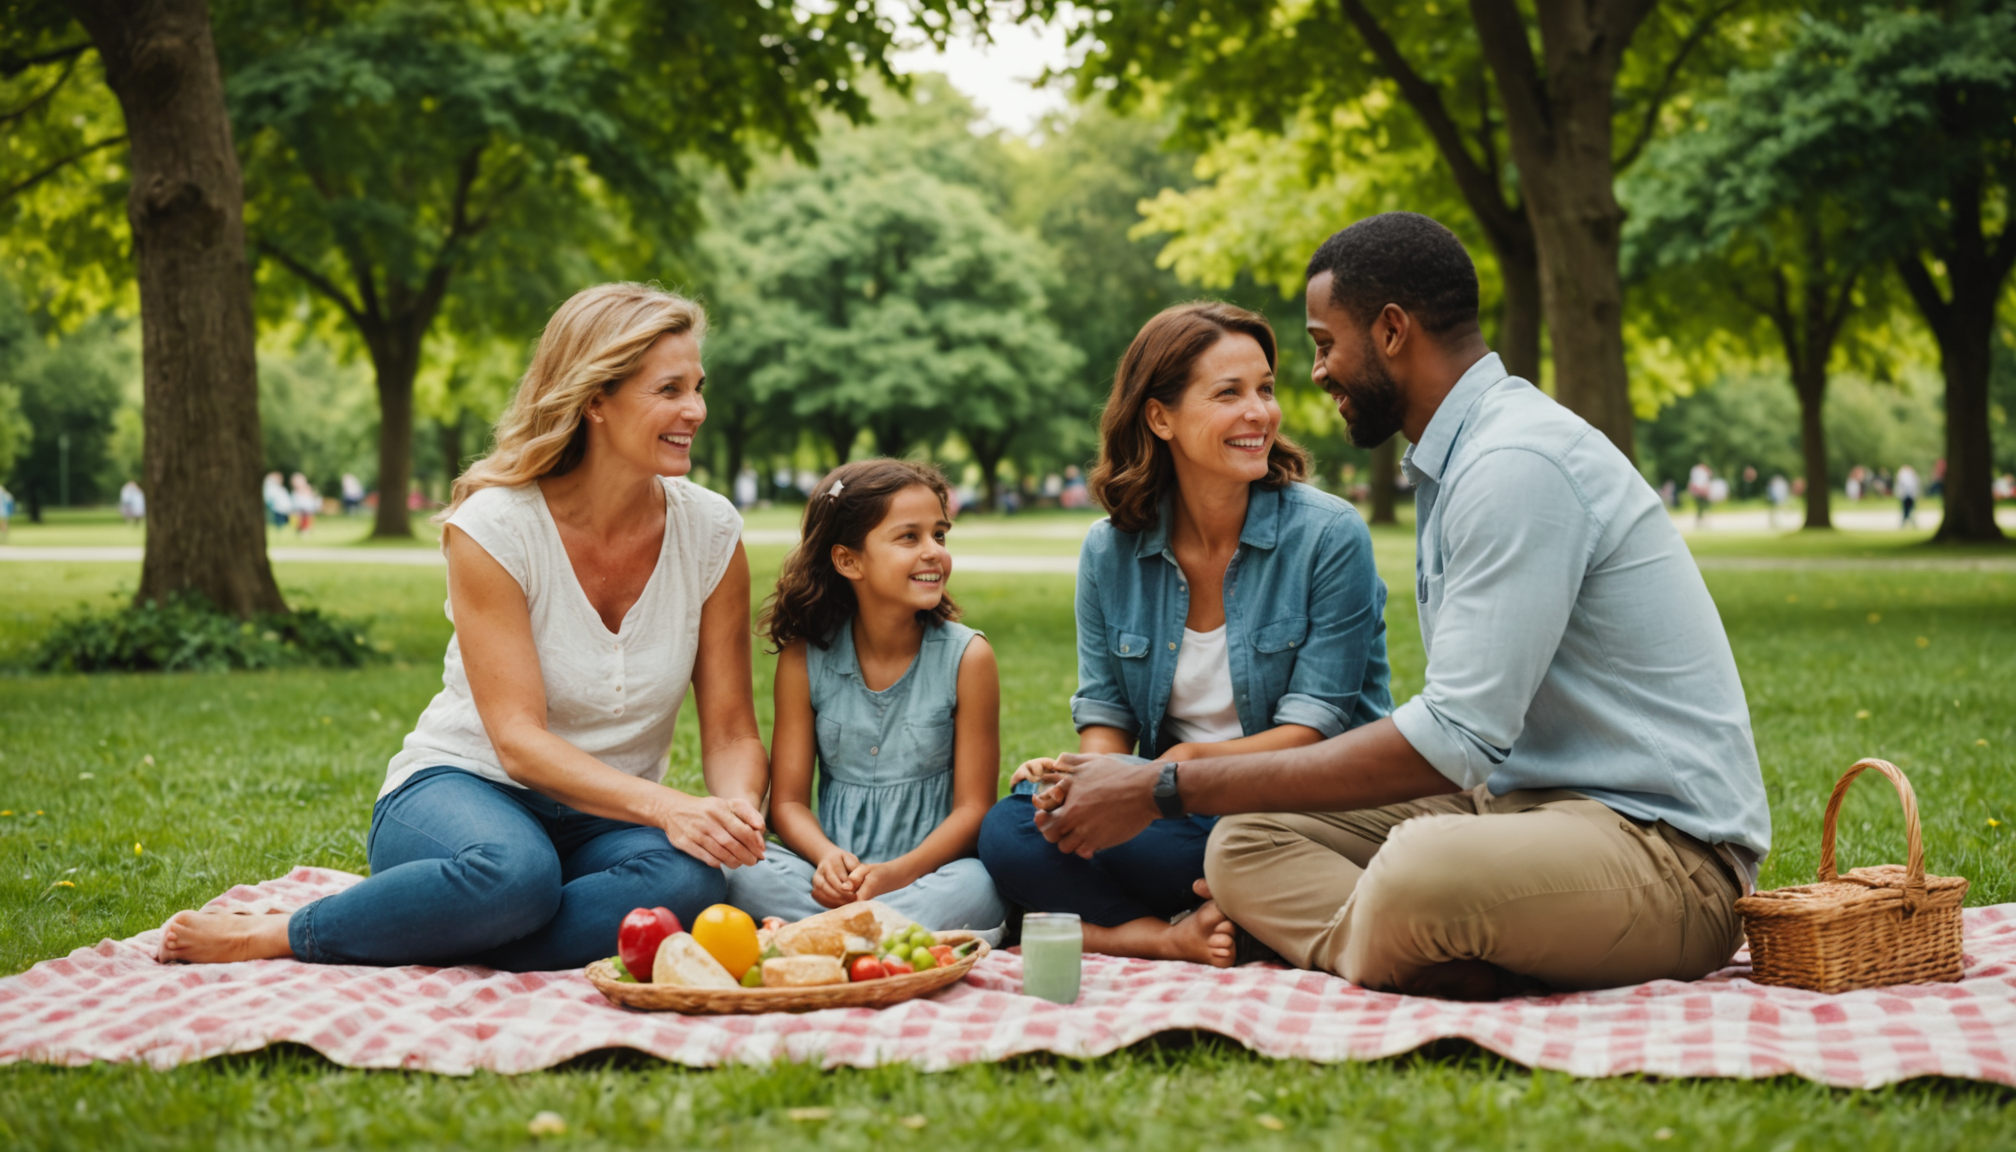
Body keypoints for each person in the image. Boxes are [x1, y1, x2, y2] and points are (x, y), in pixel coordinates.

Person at [1026, 213, 1768, 999]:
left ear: (1389, 331)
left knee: (1419, 866)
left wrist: (1162, 787)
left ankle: (1410, 945)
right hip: (1519, 810)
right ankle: (1430, 956)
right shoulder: (1457, 460)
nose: (1314, 374)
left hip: (1666, 853)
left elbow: (1454, 736)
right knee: (1242, 846)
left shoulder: (1514, 462)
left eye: (1322, 343)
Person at [158, 282, 770, 970]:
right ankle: (286, 932)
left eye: (698, 386)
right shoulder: (496, 527)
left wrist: (735, 814)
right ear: (594, 399)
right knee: (513, 875)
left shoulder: (711, 531)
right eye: (670, 390)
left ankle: (452, 923)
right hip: (465, 788)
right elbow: (518, 743)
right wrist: (668, 808)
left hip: (610, 817)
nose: (697, 410)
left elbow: (730, 730)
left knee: (691, 882)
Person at [979, 301, 1393, 965]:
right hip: (1172, 812)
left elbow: (1311, 734)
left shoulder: (1327, 536)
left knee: (1221, 847)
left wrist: (1150, 777)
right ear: (1159, 416)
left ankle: (1168, 914)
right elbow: (1107, 716)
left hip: (1298, 812)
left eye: (1264, 389)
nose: (1258, 412)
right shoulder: (1110, 552)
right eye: (1228, 393)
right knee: (1010, 828)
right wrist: (1078, 780)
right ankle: (1170, 932)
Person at [725, 459, 1006, 937]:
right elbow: (788, 803)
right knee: (736, 867)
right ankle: (880, 936)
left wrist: (898, 873)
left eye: (939, 534)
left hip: (926, 877)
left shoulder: (969, 658)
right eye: (908, 537)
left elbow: (973, 810)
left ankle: (821, 935)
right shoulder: (803, 660)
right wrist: (826, 858)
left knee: (980, 886)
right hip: (828, 881)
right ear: (848, 560)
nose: (933, 552)